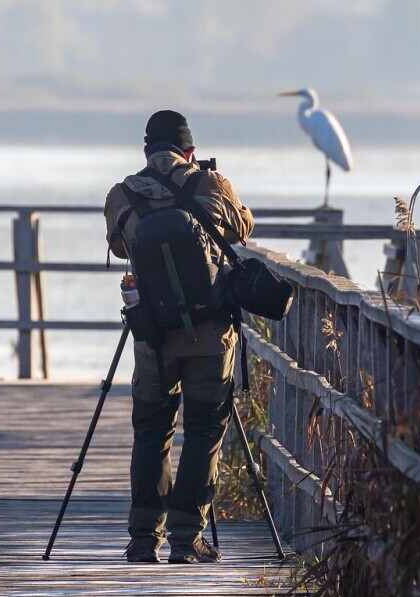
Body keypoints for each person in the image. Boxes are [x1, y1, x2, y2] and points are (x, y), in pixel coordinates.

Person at [103, 110, 254, 564]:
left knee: (151, 428)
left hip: (153, 335)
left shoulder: (122, 194)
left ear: (146, 152)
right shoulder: (212, 186)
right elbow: (243, 227)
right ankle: (187, 539)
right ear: (189, 151)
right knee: (205, 427)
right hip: (210, 332)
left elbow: (118, 246)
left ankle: (143, 539)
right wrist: (209, 183)